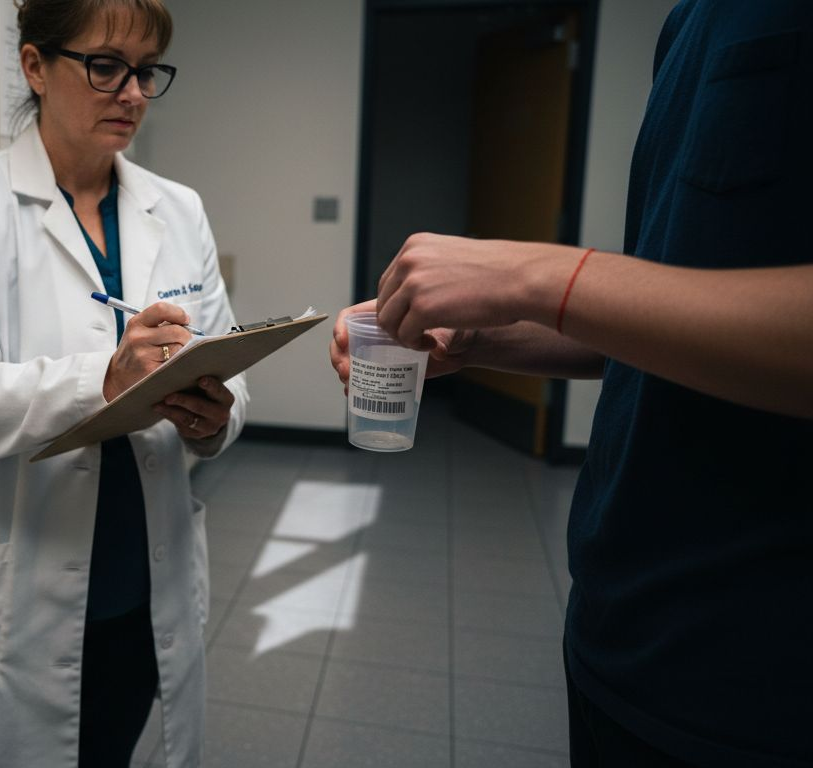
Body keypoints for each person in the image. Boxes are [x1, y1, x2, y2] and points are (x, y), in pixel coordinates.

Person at [331, 1, 812, 765]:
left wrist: (533, 274)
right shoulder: (690, 22)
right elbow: (666, 311)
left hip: (759, 677)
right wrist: (479, 338)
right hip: (620, 626)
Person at [0, 1, 247, 766]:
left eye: (146, 71)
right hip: (9, 601)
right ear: (36, 66)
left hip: (141, 588)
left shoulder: (178, 209)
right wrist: (105, 380)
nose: (133, 93)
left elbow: (227, 368)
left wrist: (215, 415)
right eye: (106, 66)